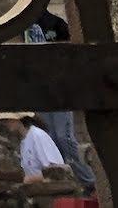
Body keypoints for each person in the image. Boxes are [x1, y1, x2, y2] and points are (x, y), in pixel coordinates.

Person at [24, 12, 98, 194]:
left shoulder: (56, 24)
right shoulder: (26, 28)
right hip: (42, 90)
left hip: (61, 90)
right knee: (52, 138)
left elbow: (72, 53)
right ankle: (66, 182)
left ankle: (89, 182)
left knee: (64, 137)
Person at [0, 113, 68, 182]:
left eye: (7, 120)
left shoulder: (37, 135)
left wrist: (28, 179)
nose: (5, 123)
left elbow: (54, 172)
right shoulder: (24, 141)